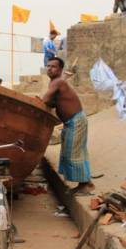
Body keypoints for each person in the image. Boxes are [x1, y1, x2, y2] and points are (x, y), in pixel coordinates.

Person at [40, 58, 93, 195]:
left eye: (54, 66)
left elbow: (45, 100)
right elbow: (52, 103)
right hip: (71, 122)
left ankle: (84, 186)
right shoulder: (54, 83)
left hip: (76, 121)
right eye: (48, 66)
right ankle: (86, 182)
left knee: (73, 153)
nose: (50, 68)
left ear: (60, 70)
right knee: (72, 151)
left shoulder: (58, 82)